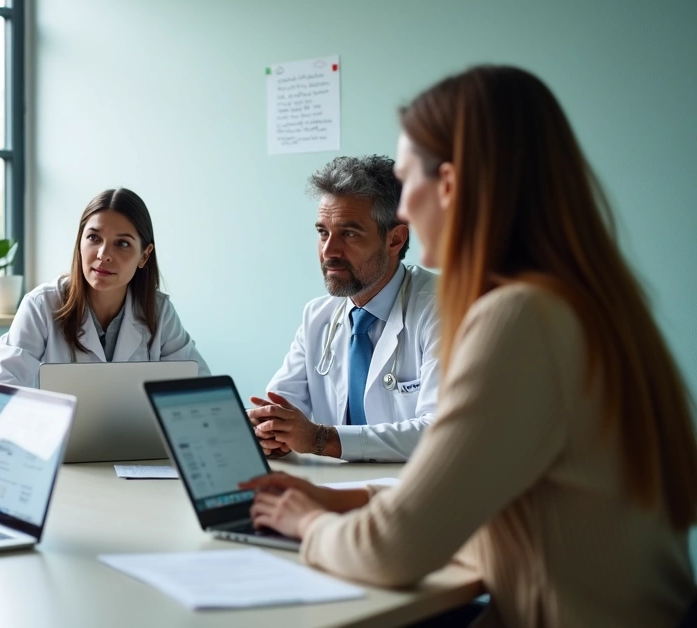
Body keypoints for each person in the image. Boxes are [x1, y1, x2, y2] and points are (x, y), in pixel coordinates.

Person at [243, 66, 697, 627]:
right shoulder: (590, 306)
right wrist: (351, 501)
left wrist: (306, 524)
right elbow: (491, 508)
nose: (402, 213)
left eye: (408, 185)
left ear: (451, 186)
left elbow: (393, 551)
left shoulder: (518, 319)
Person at [249, 155, 442, 462]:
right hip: (337, 490)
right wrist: (265, 430)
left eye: (349, 234)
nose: (329, 251)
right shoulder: (318, 317)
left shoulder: (442, 309)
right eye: (322, 232)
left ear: (395, 240)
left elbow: (440, 433)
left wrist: (320, 439)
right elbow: (280, 407)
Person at [0, 187, 209, 424]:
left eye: (123, 244)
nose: (103, 254)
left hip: (137, 457)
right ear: (79, 242)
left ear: (144, 256)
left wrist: (243, 419)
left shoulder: (160, 313)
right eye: (93, 238)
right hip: (57, 455)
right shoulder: (41, 306)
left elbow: (202, 396)